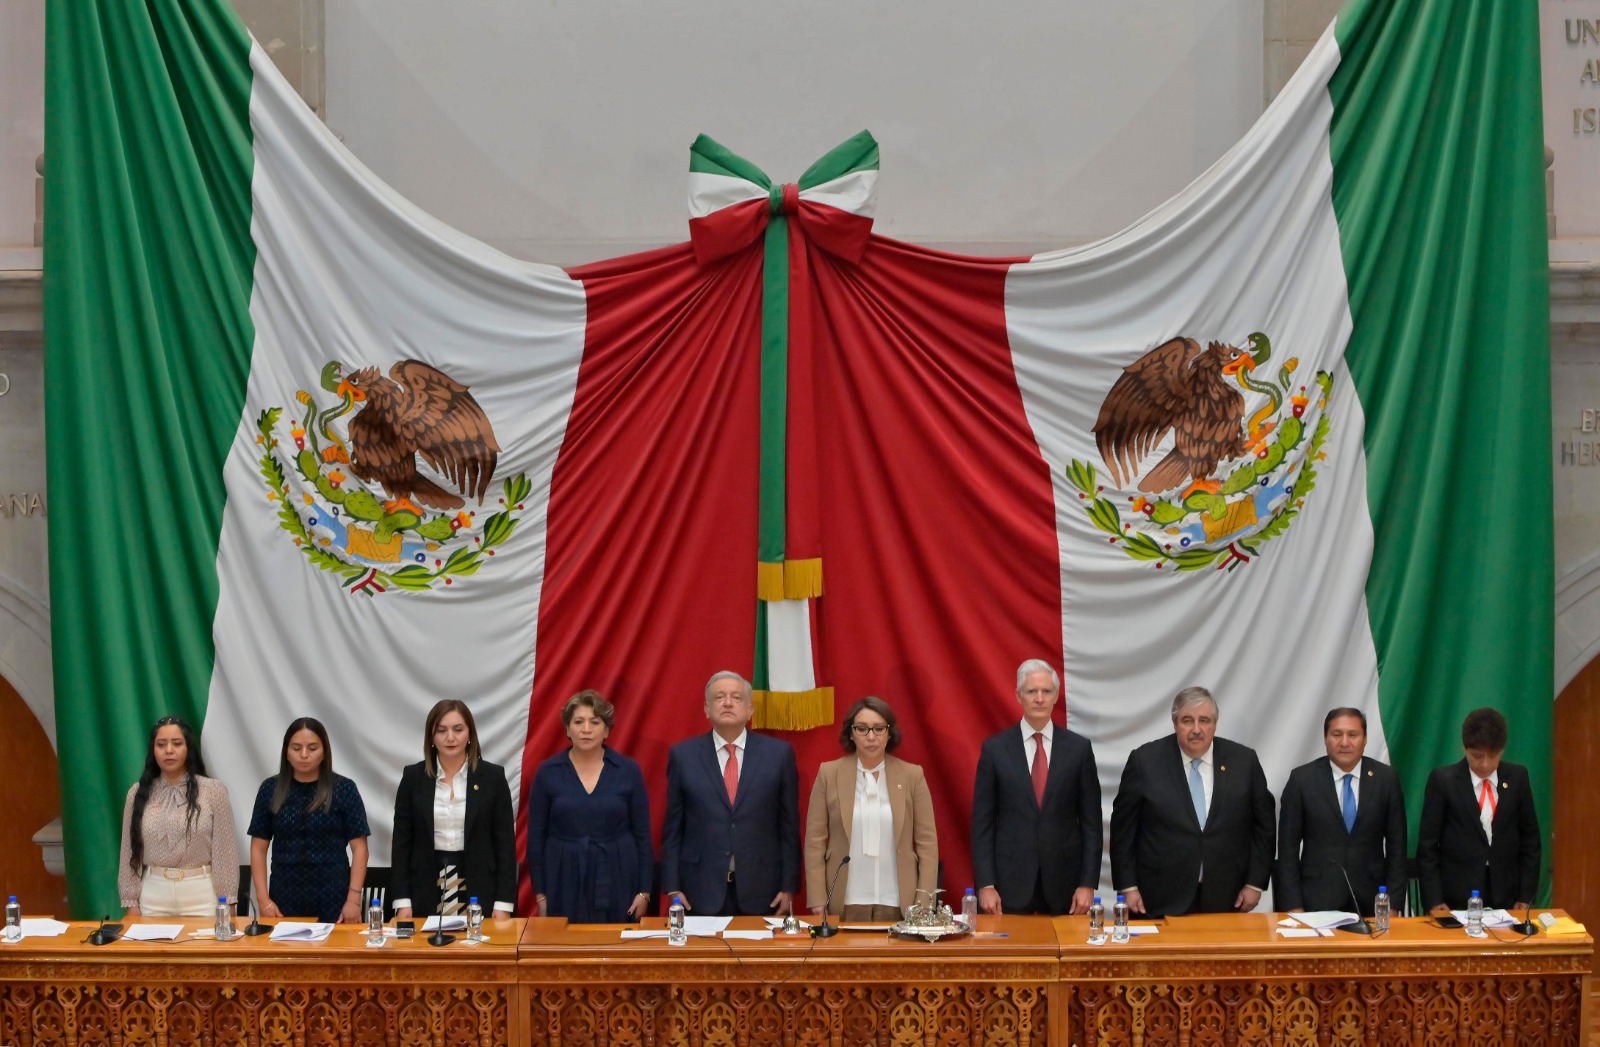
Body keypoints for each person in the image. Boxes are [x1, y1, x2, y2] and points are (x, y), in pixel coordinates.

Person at [1110, 686, 1274, 916]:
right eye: (1187, 720)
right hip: (1157, 898)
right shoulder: (1144, 761)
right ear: (1175, 723)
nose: (1196, 729)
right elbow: (1122, 831)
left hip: (1227, 897)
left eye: (1204, 720)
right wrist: (1128, 886)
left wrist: (1255, 883)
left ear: (1215, 724)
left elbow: (1264, 828)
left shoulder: (1244, 761)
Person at [661, 670, 800, 916]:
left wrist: (789, 887)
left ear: (749, 709)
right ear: (706, 709)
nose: (727, 703)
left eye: (736, 697)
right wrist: (672, 887)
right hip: (699, 889)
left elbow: (789, 826)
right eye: (719, 697)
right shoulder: (683, 756)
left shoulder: (778, 755)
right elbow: (673, 827)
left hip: (763, 889)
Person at [970, 659, 1101, 916]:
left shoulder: (1079, 749)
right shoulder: (995, 750)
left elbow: (1091, 824)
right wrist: (986, 884)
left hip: (1065, 885)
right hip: (1008, 885)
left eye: (1046, 691)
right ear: (1019, 696)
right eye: (1031, 691)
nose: (1039, 698)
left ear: (1056, 696)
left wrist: (1087, 884)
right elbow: (982, 824)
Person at [804, 696, 938, 921]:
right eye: (862, 729)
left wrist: (925, 901)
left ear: (889, 733)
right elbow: (815, 841)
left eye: (878, 729)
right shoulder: (829, 774)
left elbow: (927, 844)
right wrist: (818, 897)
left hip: (899, 900)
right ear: (851, 733)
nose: (871, 737)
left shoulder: (912, 775)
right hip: (844, 900)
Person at [526, 690, 653, 922]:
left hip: (618, 874)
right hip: (563, 876)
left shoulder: (628, 771)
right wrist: (541, 896)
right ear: (567, 729)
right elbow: (535, 839)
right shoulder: (547, 773)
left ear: (606, 730)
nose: (586, 729)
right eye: (578, 722)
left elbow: (643, 836)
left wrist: (644, 891)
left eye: (595, 722)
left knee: (616, 949)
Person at [391, 699, 516, 922]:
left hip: (480, 888)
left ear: (470, 734)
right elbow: (401, 844)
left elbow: (505, 845)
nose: (450, 737)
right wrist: (402, 901)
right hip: (425, 887)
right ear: (431, 736)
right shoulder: (413, 778)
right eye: (442, 730)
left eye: (458, 729)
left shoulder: (493, 778)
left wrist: (503, 903)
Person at [1275, 707, 1407, 915]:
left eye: (1352, 735)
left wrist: (1394, 903)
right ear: (1325, 738)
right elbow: (1287, 850)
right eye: (1337, 734)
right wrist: (1293, 905)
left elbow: (1397, 847)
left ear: (1365, 739)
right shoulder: (1302, 780)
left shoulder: (1386, 779)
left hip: (1373, 901)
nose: (1344, 742)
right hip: (1316, 900)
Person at [1417, 707, 1542, 914]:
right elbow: (1427, 846)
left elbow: (1531, 842)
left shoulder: (1518, 778)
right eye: (1476, 756)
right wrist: (1433, 899)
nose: (1484, 764)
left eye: (1492, 756)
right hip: (1455, 898)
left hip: (1507, 896)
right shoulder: (1443, 781)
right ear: (1464, 748)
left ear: (1502, 750)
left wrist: (1526, 896)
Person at [247, 717, 371, 923]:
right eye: (296, 748)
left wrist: (353, 900)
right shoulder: (270, 789)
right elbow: (258, 849)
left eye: (312, 748)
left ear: (325, 752)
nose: (304, 755)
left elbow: (360, 849)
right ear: (286, 751)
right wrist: (263, 900)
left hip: (334, 898)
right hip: (283, 899)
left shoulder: (344, 788)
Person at [118, 714, 239, 917]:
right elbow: (129, 851)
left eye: (177, 743)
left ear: (188, 748)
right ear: (153, 750)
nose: (169, 750)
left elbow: (224, 852)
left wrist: (229, 902)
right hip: (153, 895)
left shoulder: (213, 791)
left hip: (201, 895)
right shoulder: (137, 793)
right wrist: (131, 901)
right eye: (161, 744)